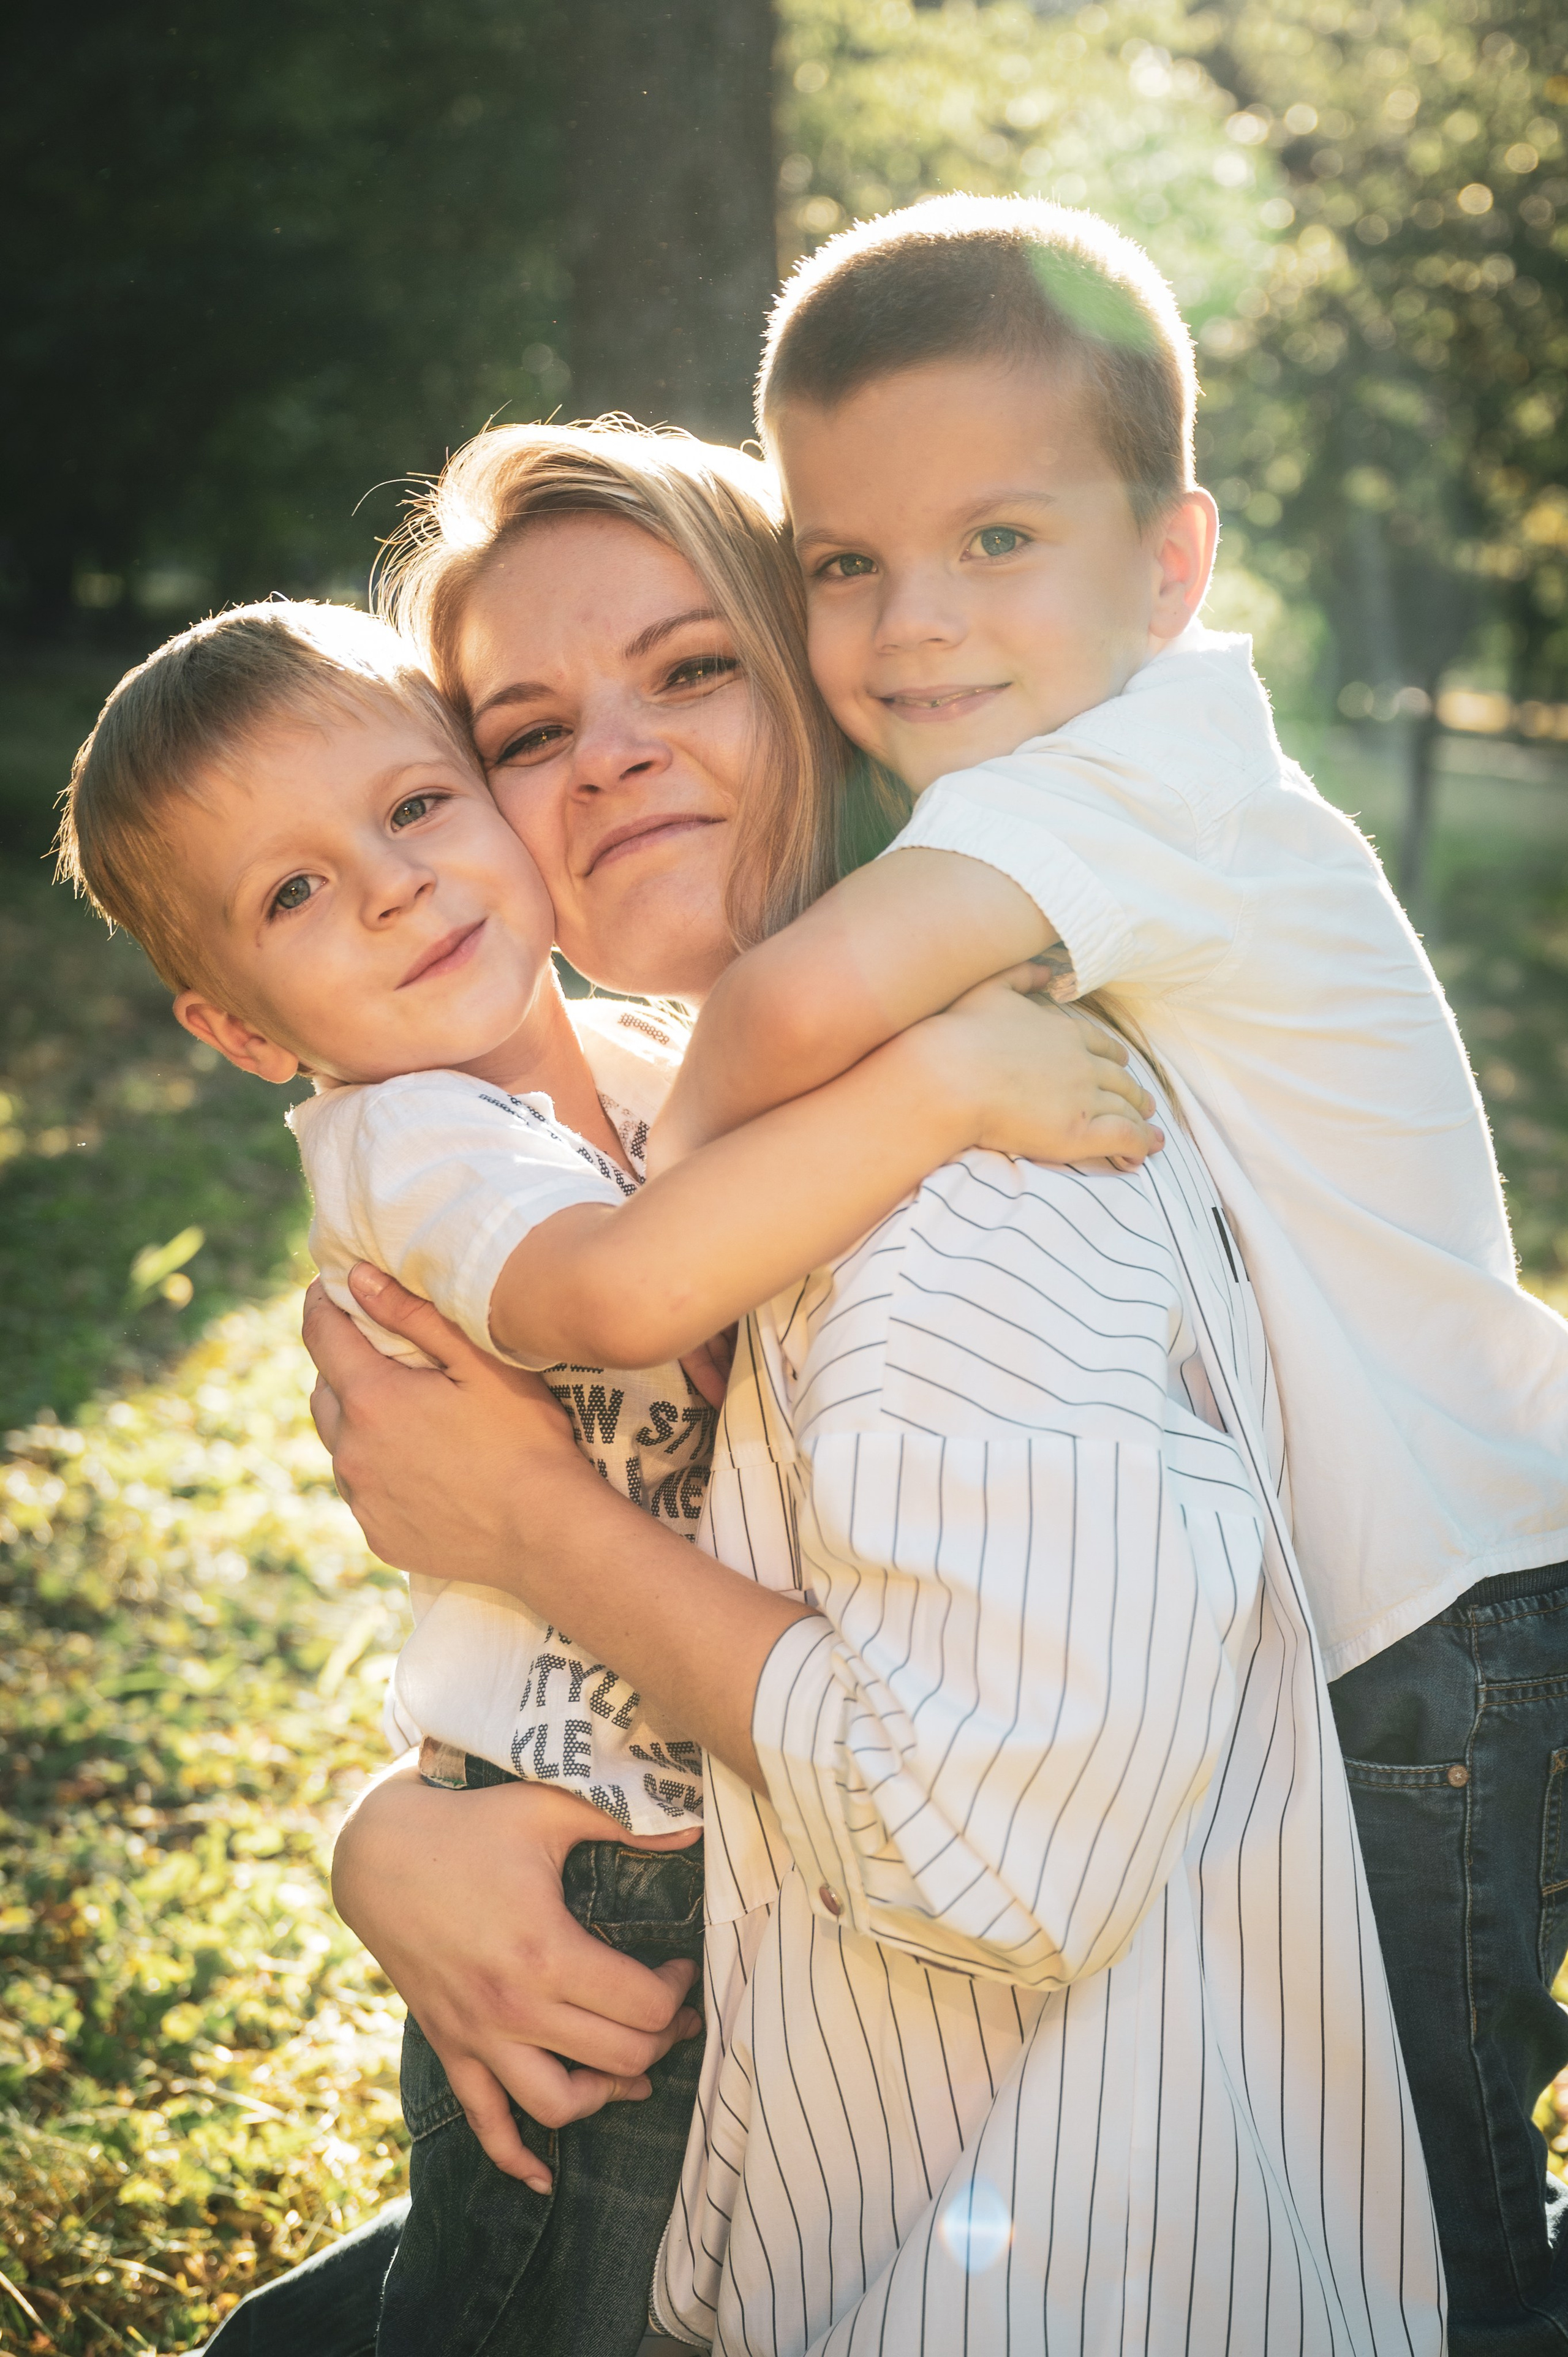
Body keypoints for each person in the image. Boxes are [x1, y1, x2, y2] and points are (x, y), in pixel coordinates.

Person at [305, 416, 1442, 2350]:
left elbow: (979, 1853)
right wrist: (399, 1835)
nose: (613, 757)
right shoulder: (683, 1127)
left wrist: (528, 1525)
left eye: (690, 670)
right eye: (523, 731)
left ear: (829, 699)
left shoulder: (974, 1182)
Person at [645, 192, 1568, 2353]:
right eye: (843, 563)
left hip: (1425, 1625)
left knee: (1433, 2207)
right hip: (1395, 1610)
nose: (912, 622)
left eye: (996, 541)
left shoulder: (1139, 775)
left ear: (1170, 566)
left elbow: (789, 1021)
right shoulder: (1076, 790)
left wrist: (656, 1221)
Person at [58, 571, 1148, 2357]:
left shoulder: (655, 1063)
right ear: (248, 1032)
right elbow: (622, 1291)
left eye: (414, 806)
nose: (397, 882)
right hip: (588, 1875)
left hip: (745, 1829)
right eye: (296, 893)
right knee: (558, 2311)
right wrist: (947, 1084)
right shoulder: (408, 1144)